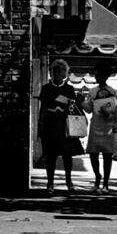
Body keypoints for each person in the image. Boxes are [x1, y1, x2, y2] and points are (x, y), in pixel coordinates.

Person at [37, 59, 83, 195]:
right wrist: (40, 126)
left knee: (67, 155)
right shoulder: (46, 88)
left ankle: (69, 181)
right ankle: (50, 183)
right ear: (51, 72)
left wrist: (68, 105)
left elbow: (72, 107)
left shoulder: (69, 89)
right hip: (50, 125)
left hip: (65, 126)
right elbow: (43, 109)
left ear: (65, 73)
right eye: (54, 71)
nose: (57, 74)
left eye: (60, 71)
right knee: (50, 156)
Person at [81, 63, 117, 193]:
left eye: (101, 74)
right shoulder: (92, 91)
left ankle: (106, 184)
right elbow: (88, 109)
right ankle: (97, 177)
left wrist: (109, 114)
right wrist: (81, 102)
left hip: (108, 126)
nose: (98, 77)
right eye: (97, 74)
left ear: (106, 76)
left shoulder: (113, 91)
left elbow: (116, 110)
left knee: (107, 155)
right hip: (95, 125)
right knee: (93, 154)